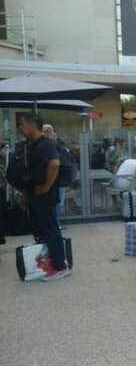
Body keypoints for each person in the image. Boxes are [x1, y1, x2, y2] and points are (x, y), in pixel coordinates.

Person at [18, 114, 69, 281]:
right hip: (36, 196)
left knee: (51, 230)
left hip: (45, 196)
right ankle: (51, 263)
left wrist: (46, 186)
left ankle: (61, 267)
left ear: (32, 125)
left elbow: (54, 164)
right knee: (43, 231)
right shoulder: (31, 145)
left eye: (23, 125)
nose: (20, 128)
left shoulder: (45, 144)